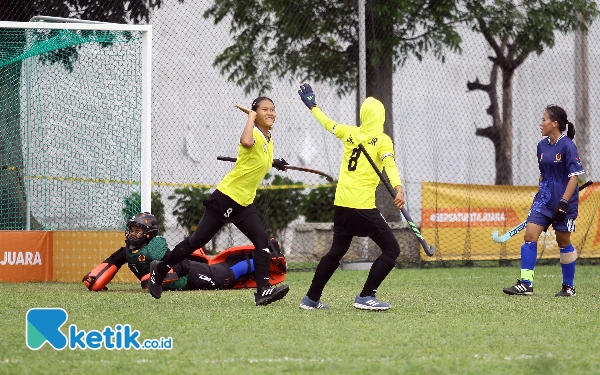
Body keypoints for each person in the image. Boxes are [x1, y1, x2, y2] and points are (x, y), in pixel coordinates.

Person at [147, 97, 290, 306]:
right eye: (264, 110)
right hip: (227, 198)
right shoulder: (253, 135)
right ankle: (159, 270)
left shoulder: (268, 137)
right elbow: (247, 143)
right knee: (196, 241)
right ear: (255, 113)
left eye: (273, 109)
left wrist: (274, 162)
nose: (270, 113)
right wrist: (250, 118)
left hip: (244, 202)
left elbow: (258, 158)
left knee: (262, 241)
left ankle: (263, 291)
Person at [296, 83, 405, 311]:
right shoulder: (383, 139)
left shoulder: (350, 133)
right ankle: (365, 296)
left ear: (364, 115)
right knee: (392, 249)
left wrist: (313, 106)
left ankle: (311, 299)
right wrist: (399, 188)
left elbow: (328, 124)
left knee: (336, 251)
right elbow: (389, 164)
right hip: (362, 206)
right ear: (381, 115)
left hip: (342, 204)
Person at [82, 212, 287, 292]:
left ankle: (262, 258)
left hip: (193, 276)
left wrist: (156, 277)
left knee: (226, 275)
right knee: (223, 270)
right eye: (132, 230)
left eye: (138, 230)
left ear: (149, 233)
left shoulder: (156, 245)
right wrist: (95, 280)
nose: (133, 234)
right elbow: (111, 263)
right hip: (189, 273)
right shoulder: (127, 251)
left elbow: (182, 265)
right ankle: (256, 259)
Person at [503, 105, 585, 297]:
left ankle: (568, 287)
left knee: (563, 242)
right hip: (543, 202)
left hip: (564, 205)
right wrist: (542, 192)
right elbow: (544, 174)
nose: (541, 123)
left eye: (544, 119)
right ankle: (526, 284)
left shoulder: (568, 146)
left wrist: (564, 202)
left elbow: (574, 177)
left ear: (554, 124)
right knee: (530, 237)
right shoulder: (541, 146)